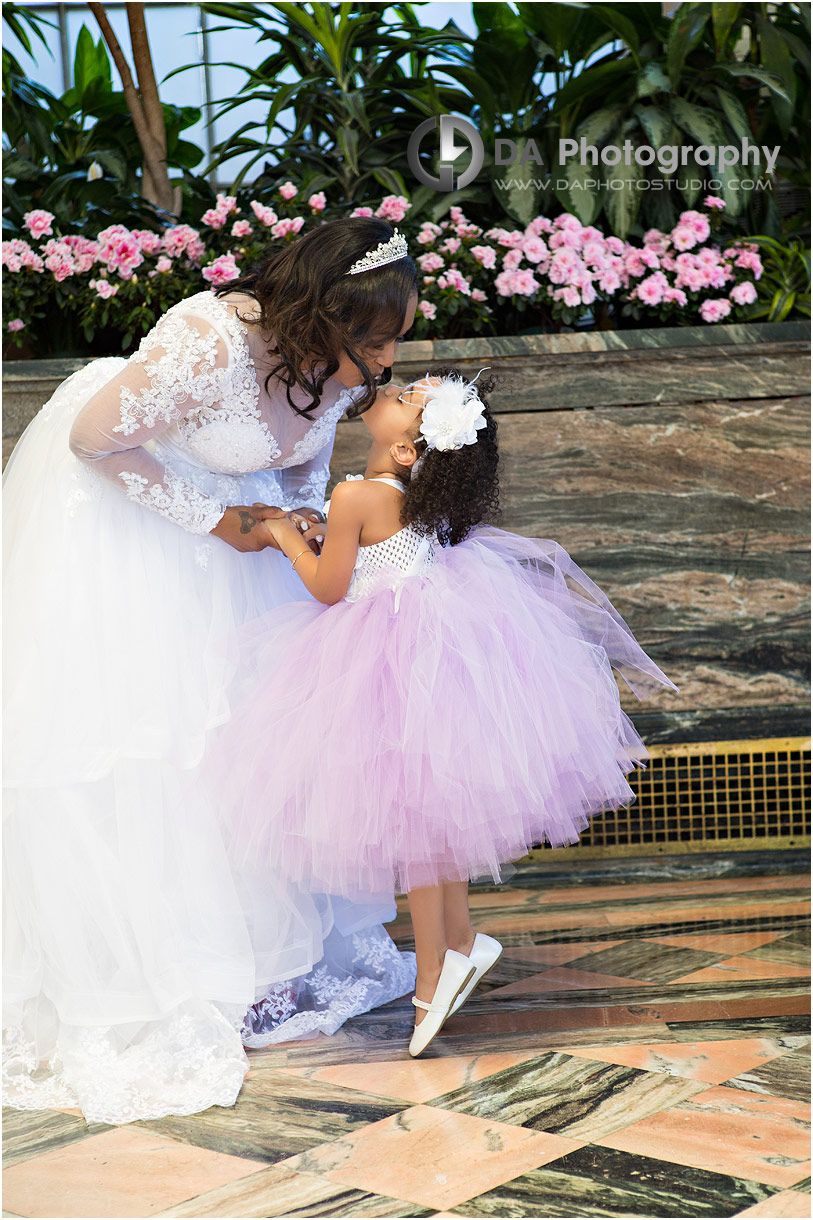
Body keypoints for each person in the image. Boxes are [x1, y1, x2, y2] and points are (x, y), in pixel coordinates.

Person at [3, 219, 420, 1124]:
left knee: (247, 740)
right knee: (152, 747)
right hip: (128, 524)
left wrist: (298, 526)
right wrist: (211, 518)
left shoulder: (333, 372)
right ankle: (153, 966)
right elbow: (92, 440)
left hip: (241, 534)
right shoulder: (209, 344)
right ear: (322, 319)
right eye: (377, 342)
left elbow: (302, 466)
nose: (385, 365)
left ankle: (251, 961)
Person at [205, 367, 679, 1057]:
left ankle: (438, 966)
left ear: (406, 450)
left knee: (422, 828)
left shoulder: (357, 493)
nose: (391, 394)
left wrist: (282, 536)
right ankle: (455, 943)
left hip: (380, 660)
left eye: (405, 402)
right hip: (435, 653)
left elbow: (331, 590)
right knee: (435, 823)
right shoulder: (412, 496)